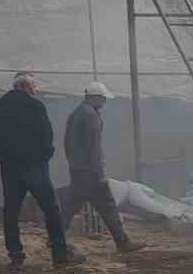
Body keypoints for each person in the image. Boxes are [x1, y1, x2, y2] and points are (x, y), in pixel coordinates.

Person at [0, 72, 86, 269]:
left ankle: (16, 257)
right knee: (51, 210)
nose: (35, 91)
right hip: (35, 167)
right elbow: (46, 134)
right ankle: (60, 256)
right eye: (34, 88)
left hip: (10, 168)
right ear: (27, 87)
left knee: (11, 212)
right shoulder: (35, 106)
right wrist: (46, 156)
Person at [60, 82, 145, 254]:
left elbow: (68, 144)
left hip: (79, 169)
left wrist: (75, 164)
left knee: (71, 206)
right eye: (103, 98)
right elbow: (94, 146)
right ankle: (122, 243)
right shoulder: (91, 115)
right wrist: (98, 171)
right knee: (107, 206)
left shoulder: (77, 113)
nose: (104, 102)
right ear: (95, 97)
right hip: (91, 172)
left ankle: (54, 238)